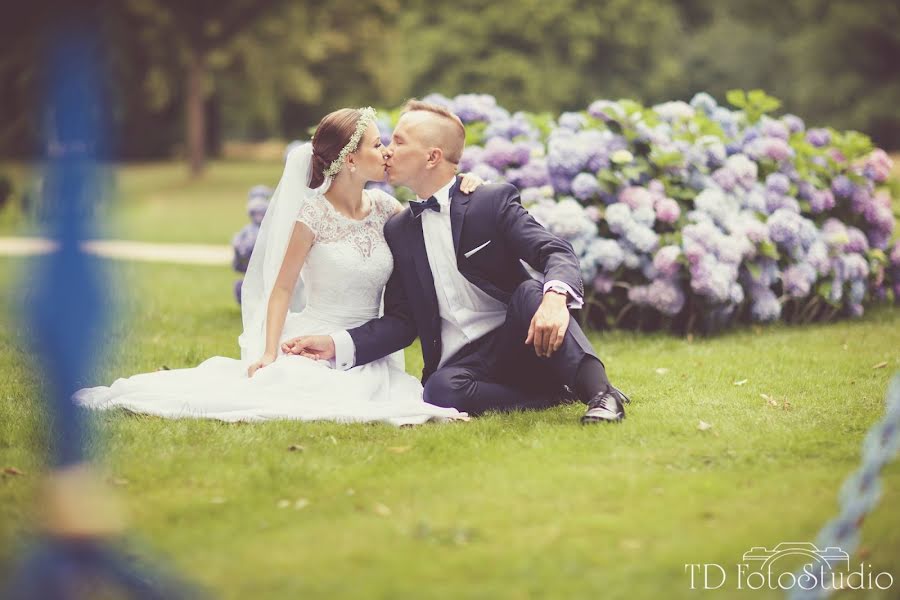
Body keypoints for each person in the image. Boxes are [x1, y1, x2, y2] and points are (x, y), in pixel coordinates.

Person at [73, 107, 484, 426]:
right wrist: (269, 351)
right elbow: (282, 288)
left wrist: (468, 183)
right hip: (314, 338)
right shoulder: (312, 216)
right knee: (293, 388)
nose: (387, 152)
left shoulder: (386, 209)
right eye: (377, 145)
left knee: (380, 395)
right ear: (351, 160)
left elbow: (437, 213)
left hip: (369, 345)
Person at [284, 100, 631, 424]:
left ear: (432, 157)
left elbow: (555, 251)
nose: (388, 151)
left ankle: (602, 394)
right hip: (464, 366)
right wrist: (335, 345)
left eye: (400, 142)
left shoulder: (489, 202)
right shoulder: (400, 229)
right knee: (438, 391)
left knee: (530, 292)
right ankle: (554, 395)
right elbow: (402, 322)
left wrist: (555, 300)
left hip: (518, 339)